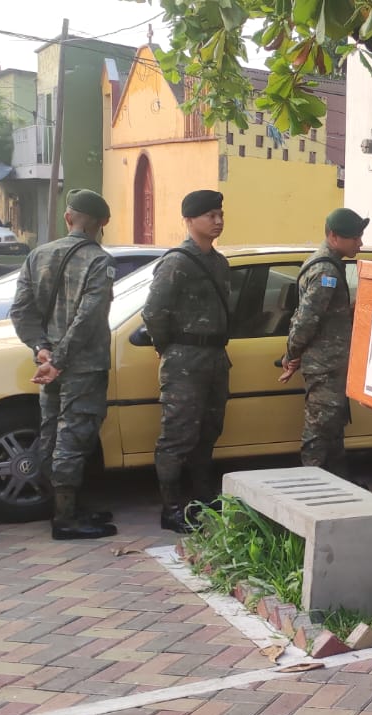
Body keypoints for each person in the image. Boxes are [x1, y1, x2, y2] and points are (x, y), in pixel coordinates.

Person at [9, 189, 118, 540]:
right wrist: (59, 359)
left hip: (49, 364)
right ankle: (66, 519)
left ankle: (61, 507)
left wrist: (43, 350)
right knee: (73, 438)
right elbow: (89, 316)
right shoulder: (98, 261)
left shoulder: (37, 256)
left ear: (68, 218)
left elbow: (21, 312)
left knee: (51, 432)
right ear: (103, 224)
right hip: (81, 366)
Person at [143, 190, 232, 534]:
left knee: (208, 432)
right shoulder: (177, 261)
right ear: (190, 220)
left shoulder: (219, 262)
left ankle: (203, 499)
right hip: (184, 359)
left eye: (220, 214)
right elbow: (154, 312)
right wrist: (168, 348)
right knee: (177, 436)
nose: (218, 221)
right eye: (210, 215)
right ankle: (172, 507)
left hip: (214, 358)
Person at [279, 208, 366, 481]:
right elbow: (306, 319)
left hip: (332, 365)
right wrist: (292, 354)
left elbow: (324, 314)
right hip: (325, 366)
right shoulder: (326, 270)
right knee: (318, 432)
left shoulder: (329, 264)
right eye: (355, 238)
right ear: (334, 236)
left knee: (333, 428)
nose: (359, 244)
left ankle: (340, 486)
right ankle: (311, 489)